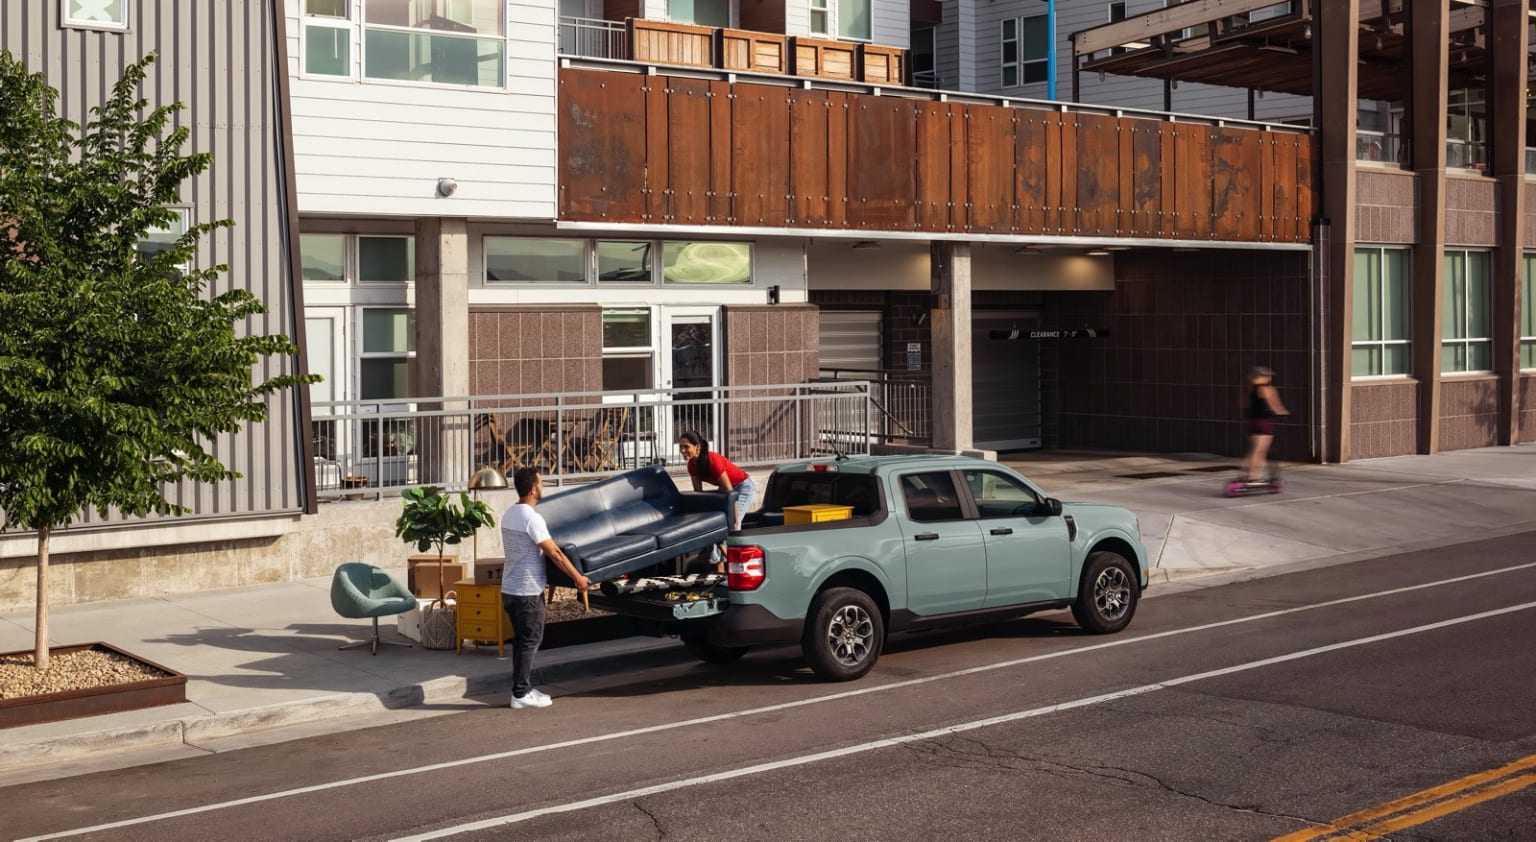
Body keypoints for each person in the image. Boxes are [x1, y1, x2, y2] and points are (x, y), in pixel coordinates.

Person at [501, 467, 589, 710]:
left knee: (522, 641)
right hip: (527, 591)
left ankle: (523, 688)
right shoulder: (531, 518)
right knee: (531, 640)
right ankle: (520, 693)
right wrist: (577, 578)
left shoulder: (510, 513)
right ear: (533, 489)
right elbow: (555, 554)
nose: (543, 487)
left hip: (510, 588)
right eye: (541, 483)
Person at [677, 431, 756, 570]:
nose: (683, 450)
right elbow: (698, 493)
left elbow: (731, 493)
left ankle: (739, 566)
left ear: (697, 446)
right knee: (715, 525)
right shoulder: (692, 465)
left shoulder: (713, 460)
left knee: (732, 526)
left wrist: (735, 517)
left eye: (686, 446)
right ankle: (719, 567)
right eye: (681, 447)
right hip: (725, 490)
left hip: (742, 487)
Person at [1243, 366, 1288, 484]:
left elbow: (1245, 405)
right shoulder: (1268, 389)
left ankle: (1251, 475)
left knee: (1253, 451)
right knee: (1260, 452)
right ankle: (1253, 477)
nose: (1270, 377)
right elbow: (1275, 405)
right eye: (1267, 375)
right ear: (1261, 377)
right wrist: (1282, 411)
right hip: (1264, 423)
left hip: (1253, 422)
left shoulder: (1248, 389)